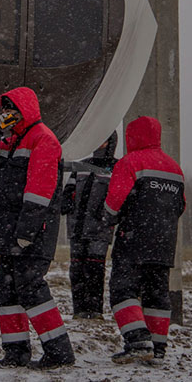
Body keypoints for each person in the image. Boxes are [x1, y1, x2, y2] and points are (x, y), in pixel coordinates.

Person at [0, 87, 75, 369]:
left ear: (25, 110)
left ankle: (59, 352)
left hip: (32, 231)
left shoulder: (44, 139)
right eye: (5, 109)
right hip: (11, 228)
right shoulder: (11, 141)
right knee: (7, 290)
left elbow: (39, 193)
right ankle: (16, 352)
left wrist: (26, 233)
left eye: (12, 109)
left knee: (31, 288)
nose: (7, 114)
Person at [104, 116, 185, 365]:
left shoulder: (130, 162)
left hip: (133, 239)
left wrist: (110, 217)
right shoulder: (175, 169)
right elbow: (181, 206)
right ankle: (158, 347)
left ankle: (137, 341)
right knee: (157, 294)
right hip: (164, 243)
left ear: (132, 136)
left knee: (122, 290)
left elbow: (113, 203)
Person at [60, 131, 118, 319]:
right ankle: (79, 309)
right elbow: (69, 189)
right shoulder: (81, 165)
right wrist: (66, 202)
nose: (97, 143)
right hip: (76, 227)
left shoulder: (117, 168)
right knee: (76, 269)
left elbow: (118, 197)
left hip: (100, 229)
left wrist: (106, 217)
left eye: (102, 139)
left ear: (110, 142)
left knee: (94, 269)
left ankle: (94, 310)